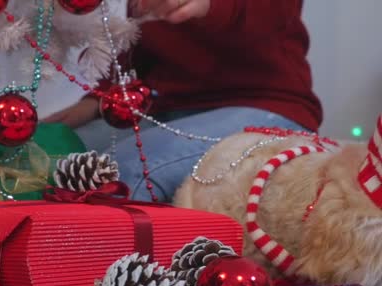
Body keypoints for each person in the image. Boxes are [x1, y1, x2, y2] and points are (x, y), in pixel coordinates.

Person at [44, 0, 321, 202]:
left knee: (116, 174)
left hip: (264, 104)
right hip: (165, 107)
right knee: (49, 157)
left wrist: (211, 6)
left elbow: (273, 13)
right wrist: (98, 99)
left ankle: (81, 278)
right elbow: (136, 41)